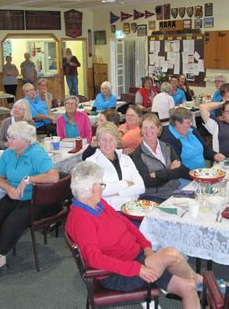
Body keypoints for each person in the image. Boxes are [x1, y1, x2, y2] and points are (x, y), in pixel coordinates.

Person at [66, 161, 201, 308]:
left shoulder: (99, 204)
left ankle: (199, 283)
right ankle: (203, 283)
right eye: (101, 184)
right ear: (92, 189)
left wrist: (146, 247)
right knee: (171, 254)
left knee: (189, 287)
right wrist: (136, 269)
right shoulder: (81, 220)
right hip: (118, 275)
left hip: (138, 258)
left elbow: (126, 223)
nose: (102, 187)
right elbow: (95, 259)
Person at [0, 122, 60, 278]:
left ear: (26, 140)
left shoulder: (36, 152)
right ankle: (1, 259)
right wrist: (8, 188)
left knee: (12, 222)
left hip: (37, 199)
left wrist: (28, 179)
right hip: (15, 195)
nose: (7, 140)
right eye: (8, 137)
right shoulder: (9, 153)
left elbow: (54, 176)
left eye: (12, 138)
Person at [131, 114, 190, 202]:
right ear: (141, 130)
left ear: (158, 129)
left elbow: (179, 170)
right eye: (145, 128)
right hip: (155, 196)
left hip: (175, 190)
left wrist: (158, 174)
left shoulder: (167, 146)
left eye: (152, 127)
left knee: (198, 199)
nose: (148, 131)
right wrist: (171, 170)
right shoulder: (137, 155)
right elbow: (148, 182)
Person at [86, 122, 145, 210]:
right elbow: (98, 190)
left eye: (111, 139)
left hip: (132, 209)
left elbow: (141, 187)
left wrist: (118, 193)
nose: (108, 144)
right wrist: (126, 183)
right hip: (108, 212)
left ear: (117, 141)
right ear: (98, 141)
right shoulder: (91, 162)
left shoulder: (126, 159)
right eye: (104, 140)